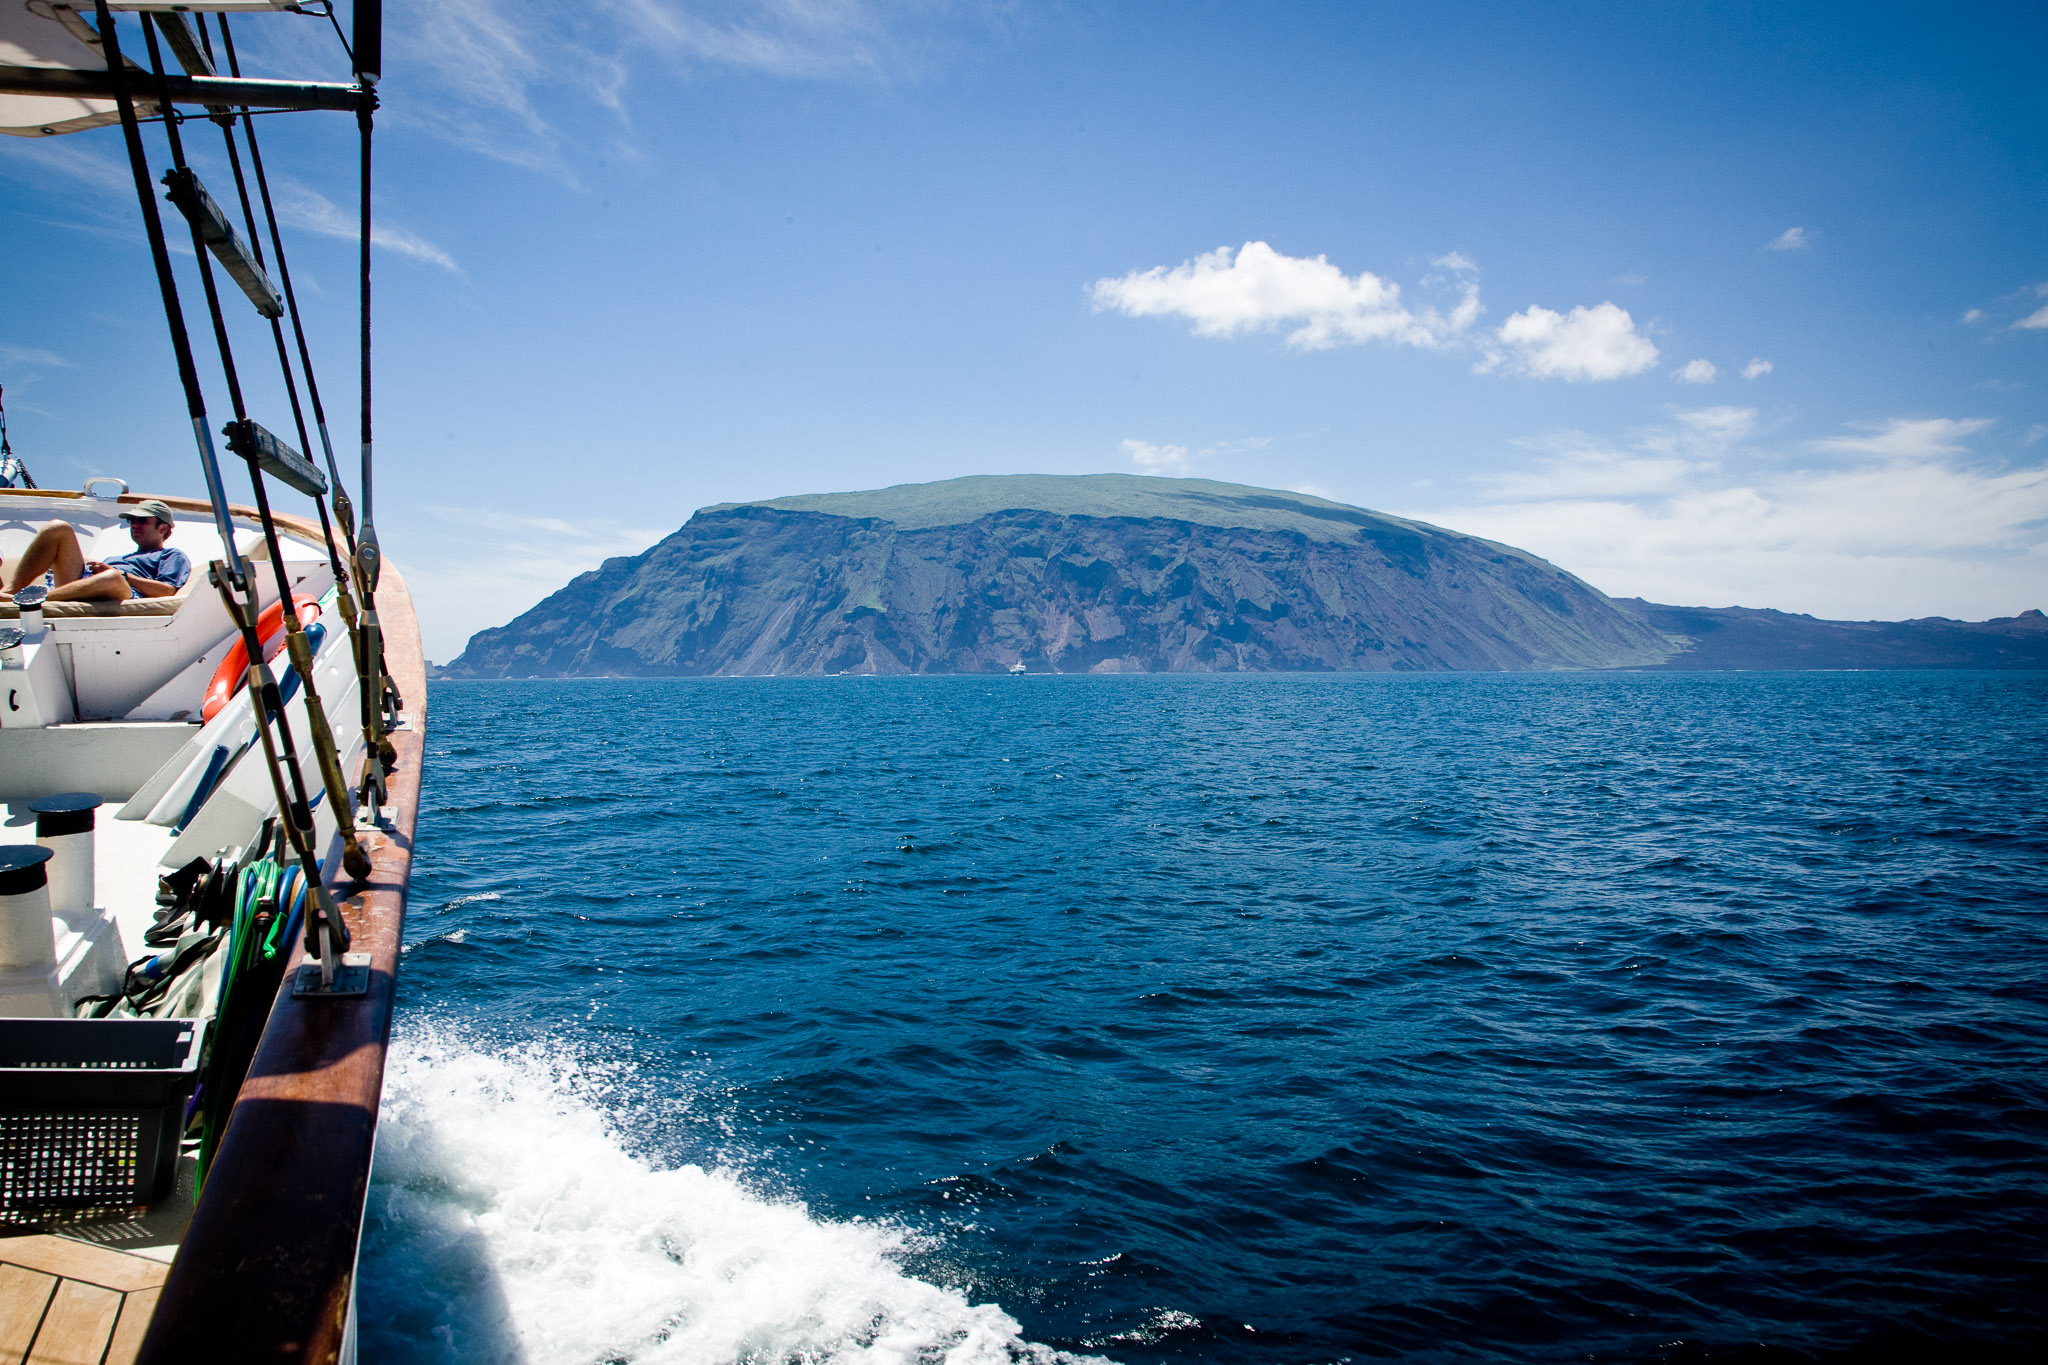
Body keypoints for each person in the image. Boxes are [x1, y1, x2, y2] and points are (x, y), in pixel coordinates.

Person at [1, 499, 191, 603]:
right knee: (58, 528)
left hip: (123, 589)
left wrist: (122, 575)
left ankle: (25, 601)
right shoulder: (118, 557)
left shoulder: (172, 555)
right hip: (83, 584)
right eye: (132, 520)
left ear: (163, 528)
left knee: (112, 578)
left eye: (142, 520)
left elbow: (167, 591)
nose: (135, 525)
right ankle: (9, 592)